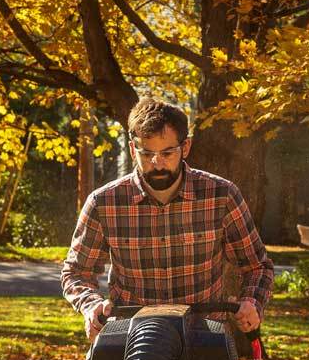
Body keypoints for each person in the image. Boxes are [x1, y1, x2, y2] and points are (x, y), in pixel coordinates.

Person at [61, 97, 273, 340]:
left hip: (203, 337)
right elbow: (76, 272)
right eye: (147, 153)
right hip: (131, 338)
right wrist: (91, 306)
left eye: (167, 153)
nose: (157, 163)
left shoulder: (221, 196)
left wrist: (251, 301)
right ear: (132, 149)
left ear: (186, 147)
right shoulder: (104, 203)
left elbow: (258, 266)